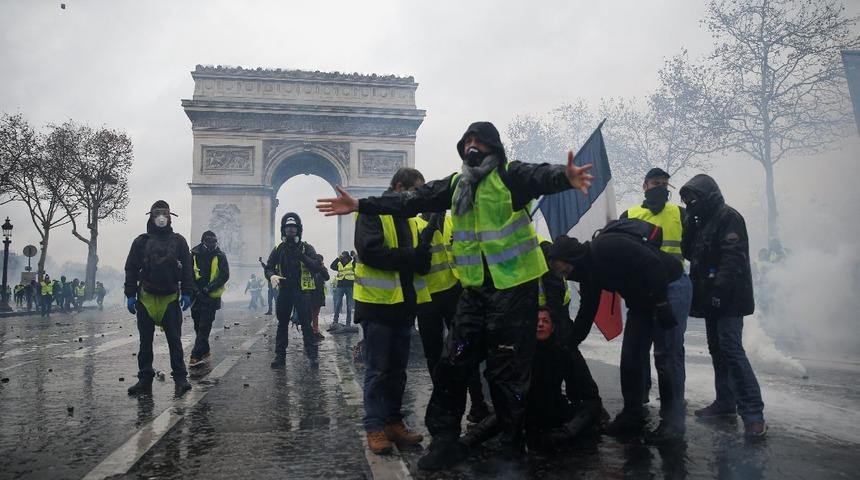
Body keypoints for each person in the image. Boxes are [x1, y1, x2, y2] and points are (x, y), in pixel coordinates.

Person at [317, 121, 594, 471]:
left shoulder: (509, 176)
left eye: (479, 141)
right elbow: (410, 200)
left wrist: (564, 178)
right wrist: (361, 204)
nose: (472, 147)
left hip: (514, 292)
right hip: (475, 291)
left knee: (507, 375)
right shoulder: (455, 184)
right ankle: (445, 442)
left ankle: (511, 449)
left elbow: (539, 175)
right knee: (452, 365)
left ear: (493, 146)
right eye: (467, 141)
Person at [545, 223, 683, 440]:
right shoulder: (590, 273)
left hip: (668, 287)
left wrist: (662, 304)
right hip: (641, 302)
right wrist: (569, 344)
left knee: (664, 358)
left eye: (559, 266)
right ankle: (632, 416)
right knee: (630, 358)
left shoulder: (605, 246)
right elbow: (587, 312)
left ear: (571, 257)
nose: (560, 273)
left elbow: (653, 264)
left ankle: (673, 423)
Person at [679, 174, 766, 439]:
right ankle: (725, 402)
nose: (691, 203)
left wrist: (719, 291)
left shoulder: (729, 217)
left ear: (708, 194)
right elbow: (688, 253)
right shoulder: (702, 221)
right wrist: (690, 225)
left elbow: (733, 257)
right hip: (710, 297)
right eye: (687, 200)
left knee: (731, 349)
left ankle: (753, 413)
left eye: (694, 198)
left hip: (729, 298)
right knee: (717, 349)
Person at [353, 168, 431, 455]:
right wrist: (413, 257)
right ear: (400, 187)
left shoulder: (410, 221)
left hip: (403, 305)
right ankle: (374, 426)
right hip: (377, 306)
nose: (420, 198)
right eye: (416, 191)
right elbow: (370, 252)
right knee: (378, 370)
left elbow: (416, 262)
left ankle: (393, 422)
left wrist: (423, 258)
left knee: (399, 371)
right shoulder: (372, 212)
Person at [462, 308, 605, 451]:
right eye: (536, 321)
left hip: (555, 411)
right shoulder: (519, 352)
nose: (540, 324)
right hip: (527, 410)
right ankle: (467, 441)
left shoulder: (564, 351)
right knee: (506, 410)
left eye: (545, 321)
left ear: (553, 327)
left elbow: (590, 397)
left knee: (591, 407)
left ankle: (563, 435)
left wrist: (565, 433)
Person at [619, 167, 693, 443]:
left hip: (673, 288)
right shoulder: (630, 216)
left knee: (668, 354)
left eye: (664, 184)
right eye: (655, 183)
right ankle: (635, 409)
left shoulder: (680, 214)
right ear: (644, 185)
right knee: (636, 352)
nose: (660, 187)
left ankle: (673, 420)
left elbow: (694, 248)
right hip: (642, 291)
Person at [415, 212, 489, 423]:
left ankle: (477, 403)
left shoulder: (451, 221)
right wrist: (430, 228)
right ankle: (443, 405)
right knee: (434, 354)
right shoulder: (414, 224)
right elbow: (416, 258)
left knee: (467, 348)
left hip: (454, 291)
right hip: (426, 297)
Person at [124, 200, 194, 396]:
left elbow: (187, 268)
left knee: (174, 341)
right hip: (146, 297)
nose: (161, 217)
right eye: (157, 213)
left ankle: (180, 378)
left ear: (170, 216)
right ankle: (144, 379)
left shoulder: (179, 241)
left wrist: (188, 291)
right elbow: (131, 268)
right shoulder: (140, 241)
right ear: (151, 216)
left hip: (170, 297)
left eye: (164, 213)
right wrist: (130, 294)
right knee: (145, 343)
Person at [537, 238, 606, 422]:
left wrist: (549, 316)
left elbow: (555, 285)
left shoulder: (542, 251)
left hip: (553, 313)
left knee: (567, 354)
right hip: (532, 315)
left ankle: (587, 404)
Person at [265, 212, 324, 368]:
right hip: (284, 290)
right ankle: (280, 357)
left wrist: (303, 257)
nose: (290, 231)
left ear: (298, 230)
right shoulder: (278, 248)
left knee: (306, 324)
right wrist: (271, 276)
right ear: (283, 230)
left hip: (301, 290)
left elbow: (318, 266)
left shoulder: (307, 248)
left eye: (293, 228)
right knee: (282, 324)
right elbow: (269, 267)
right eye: (288, 228)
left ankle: (312, 356)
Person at [189, 231, 229, 368]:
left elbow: (224, 275)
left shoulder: (221, 255)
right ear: (203, 241)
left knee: (204, 326)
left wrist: (209, 288)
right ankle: (205, 350)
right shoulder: (193, 254)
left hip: (211, 297)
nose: (212, 244)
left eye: (214, 241)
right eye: (209, 241)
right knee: (197, 325)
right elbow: (189, 275)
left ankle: (195, 355)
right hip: (197, 296)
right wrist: (196, 291)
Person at [328, 250, 356, 332]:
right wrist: (338, 258)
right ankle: (335, 322)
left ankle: (348, 323)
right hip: (340, 286)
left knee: (349, 305)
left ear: (348, 257)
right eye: (342, 257)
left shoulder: (352, 263)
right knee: (337, 304)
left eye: (345, 257)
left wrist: (354, 256)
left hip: (349, 286)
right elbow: (332, 266)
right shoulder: (339, 263)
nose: (344, 259)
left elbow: (358, 262)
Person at [310, 253, 330, 340]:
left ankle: (314, 330)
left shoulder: (322, 269)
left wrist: (322, 267)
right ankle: (311, 331)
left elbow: (327, 277)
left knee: (315, 314)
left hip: (318, 294)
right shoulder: (310, 268)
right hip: (311, 294)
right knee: (311, 314)